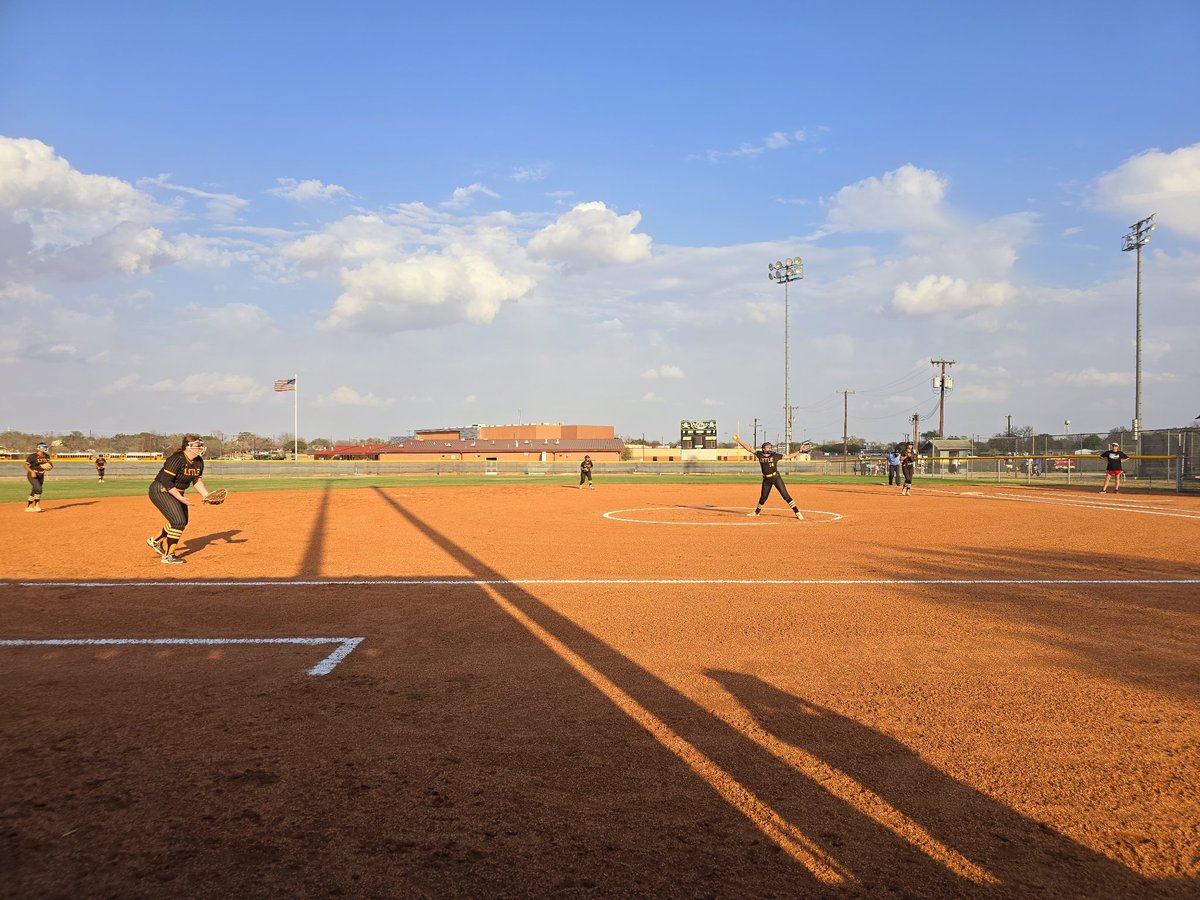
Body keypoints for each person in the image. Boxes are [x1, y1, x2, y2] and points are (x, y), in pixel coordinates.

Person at [147, 435, 214, 565]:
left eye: (201, 445)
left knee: (182, 522)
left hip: (177, 492)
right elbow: (166, 480)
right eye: (197, 445)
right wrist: (180, 497)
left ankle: (155, 540)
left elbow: (197, 480)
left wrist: (206, 495)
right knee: (178, 521)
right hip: (162, 490)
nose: (200, 447)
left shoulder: (199, 461)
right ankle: (168, 556)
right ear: (187, 447)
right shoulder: (176, 459)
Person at [733, 435, 813, 520]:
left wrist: (799, 451)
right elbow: (748, 448)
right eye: (767, 447)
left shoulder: (775, 455)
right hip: (766, 479)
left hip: (776, 478)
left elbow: (788, 456)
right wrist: (739, 441)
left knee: (785, 496)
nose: (769, 448)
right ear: (763, 449)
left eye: (770, 447)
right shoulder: (760, 454)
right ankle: (757, 512)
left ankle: (797, 512)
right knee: (763, 497)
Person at [23, 442, 51, 512]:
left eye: (46, 447)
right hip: (33, 474)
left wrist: (48, 467)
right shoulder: (32, 456)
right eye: (43, 447)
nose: (45, 448)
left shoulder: (47, 456)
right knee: (39, 489)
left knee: (35, 490)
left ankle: (28, 506)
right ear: (38, 448)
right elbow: (25, 465)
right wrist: (32, 472)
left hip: (41, 475)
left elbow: (46, 465)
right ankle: (36, 505)